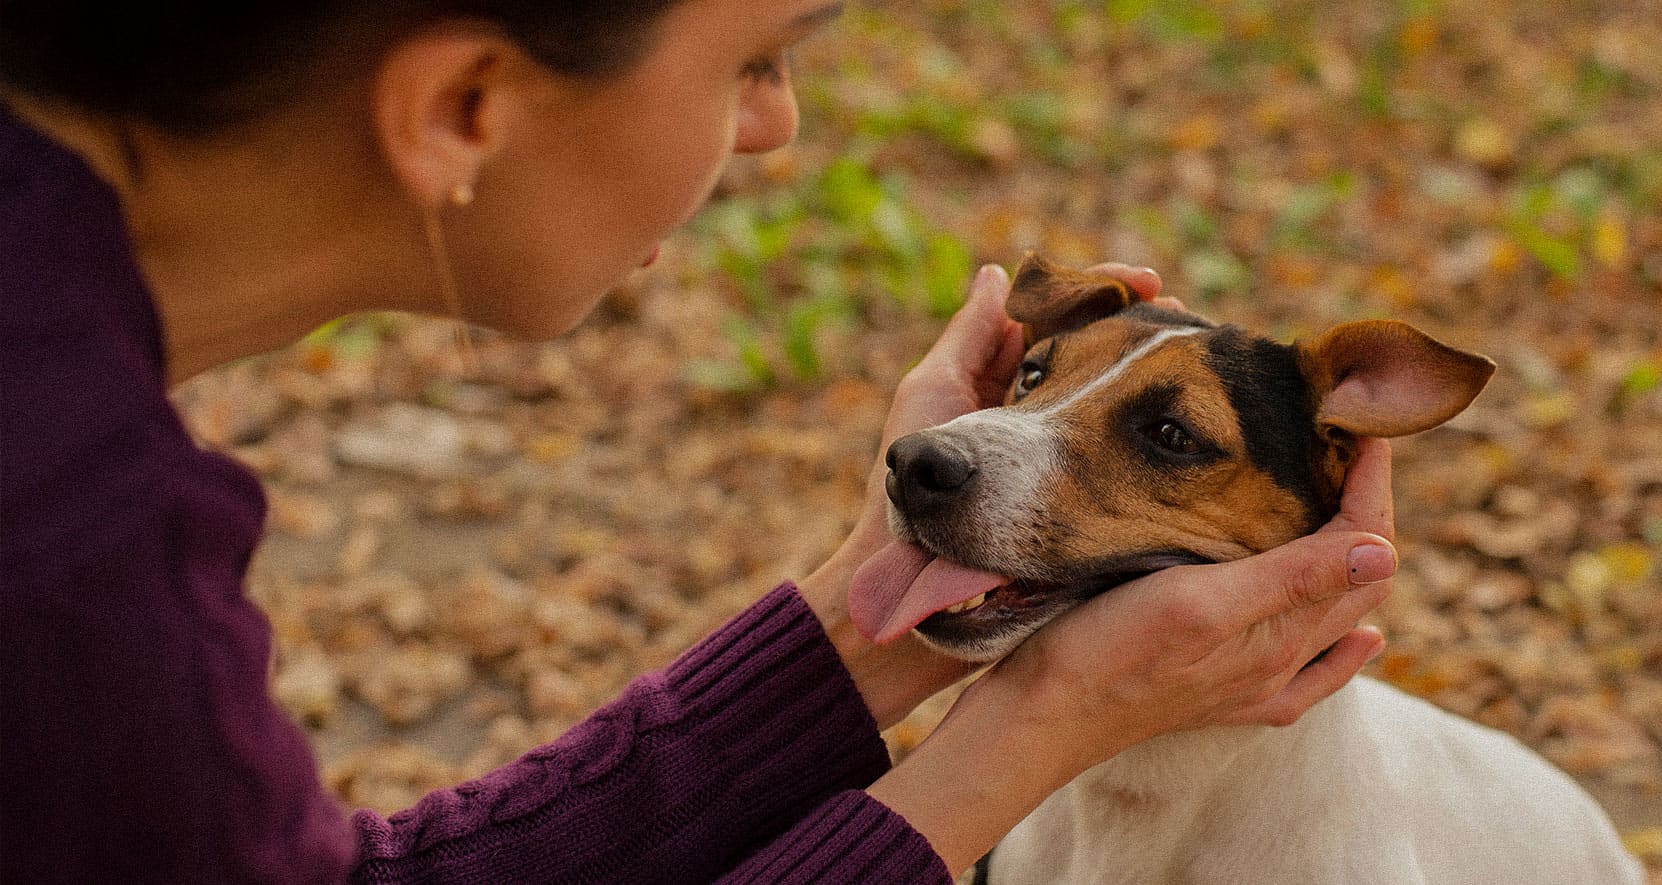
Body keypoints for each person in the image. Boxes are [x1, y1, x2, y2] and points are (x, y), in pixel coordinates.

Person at [0, 1, 1401, 881]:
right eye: (755, 59)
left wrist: (874, 615)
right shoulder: (74, 569)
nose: (777, 129)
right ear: (463, 109)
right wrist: (1020, 744)